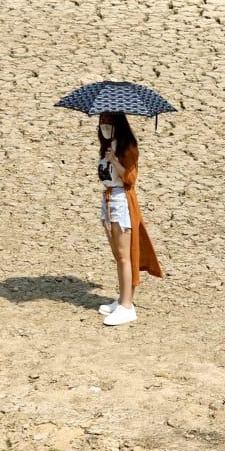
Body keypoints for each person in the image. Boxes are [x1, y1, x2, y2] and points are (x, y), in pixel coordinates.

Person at [94, 111, 162, 327]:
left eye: (108, 122)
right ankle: (122, 299)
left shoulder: (127, 146)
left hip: (120, 200)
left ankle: (127, 306)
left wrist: (114, 160)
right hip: (107, 199)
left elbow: (130, 178)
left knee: (125, 255)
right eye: (102, 121)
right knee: (117, 254)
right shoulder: (107, 146)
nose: (104, 125)